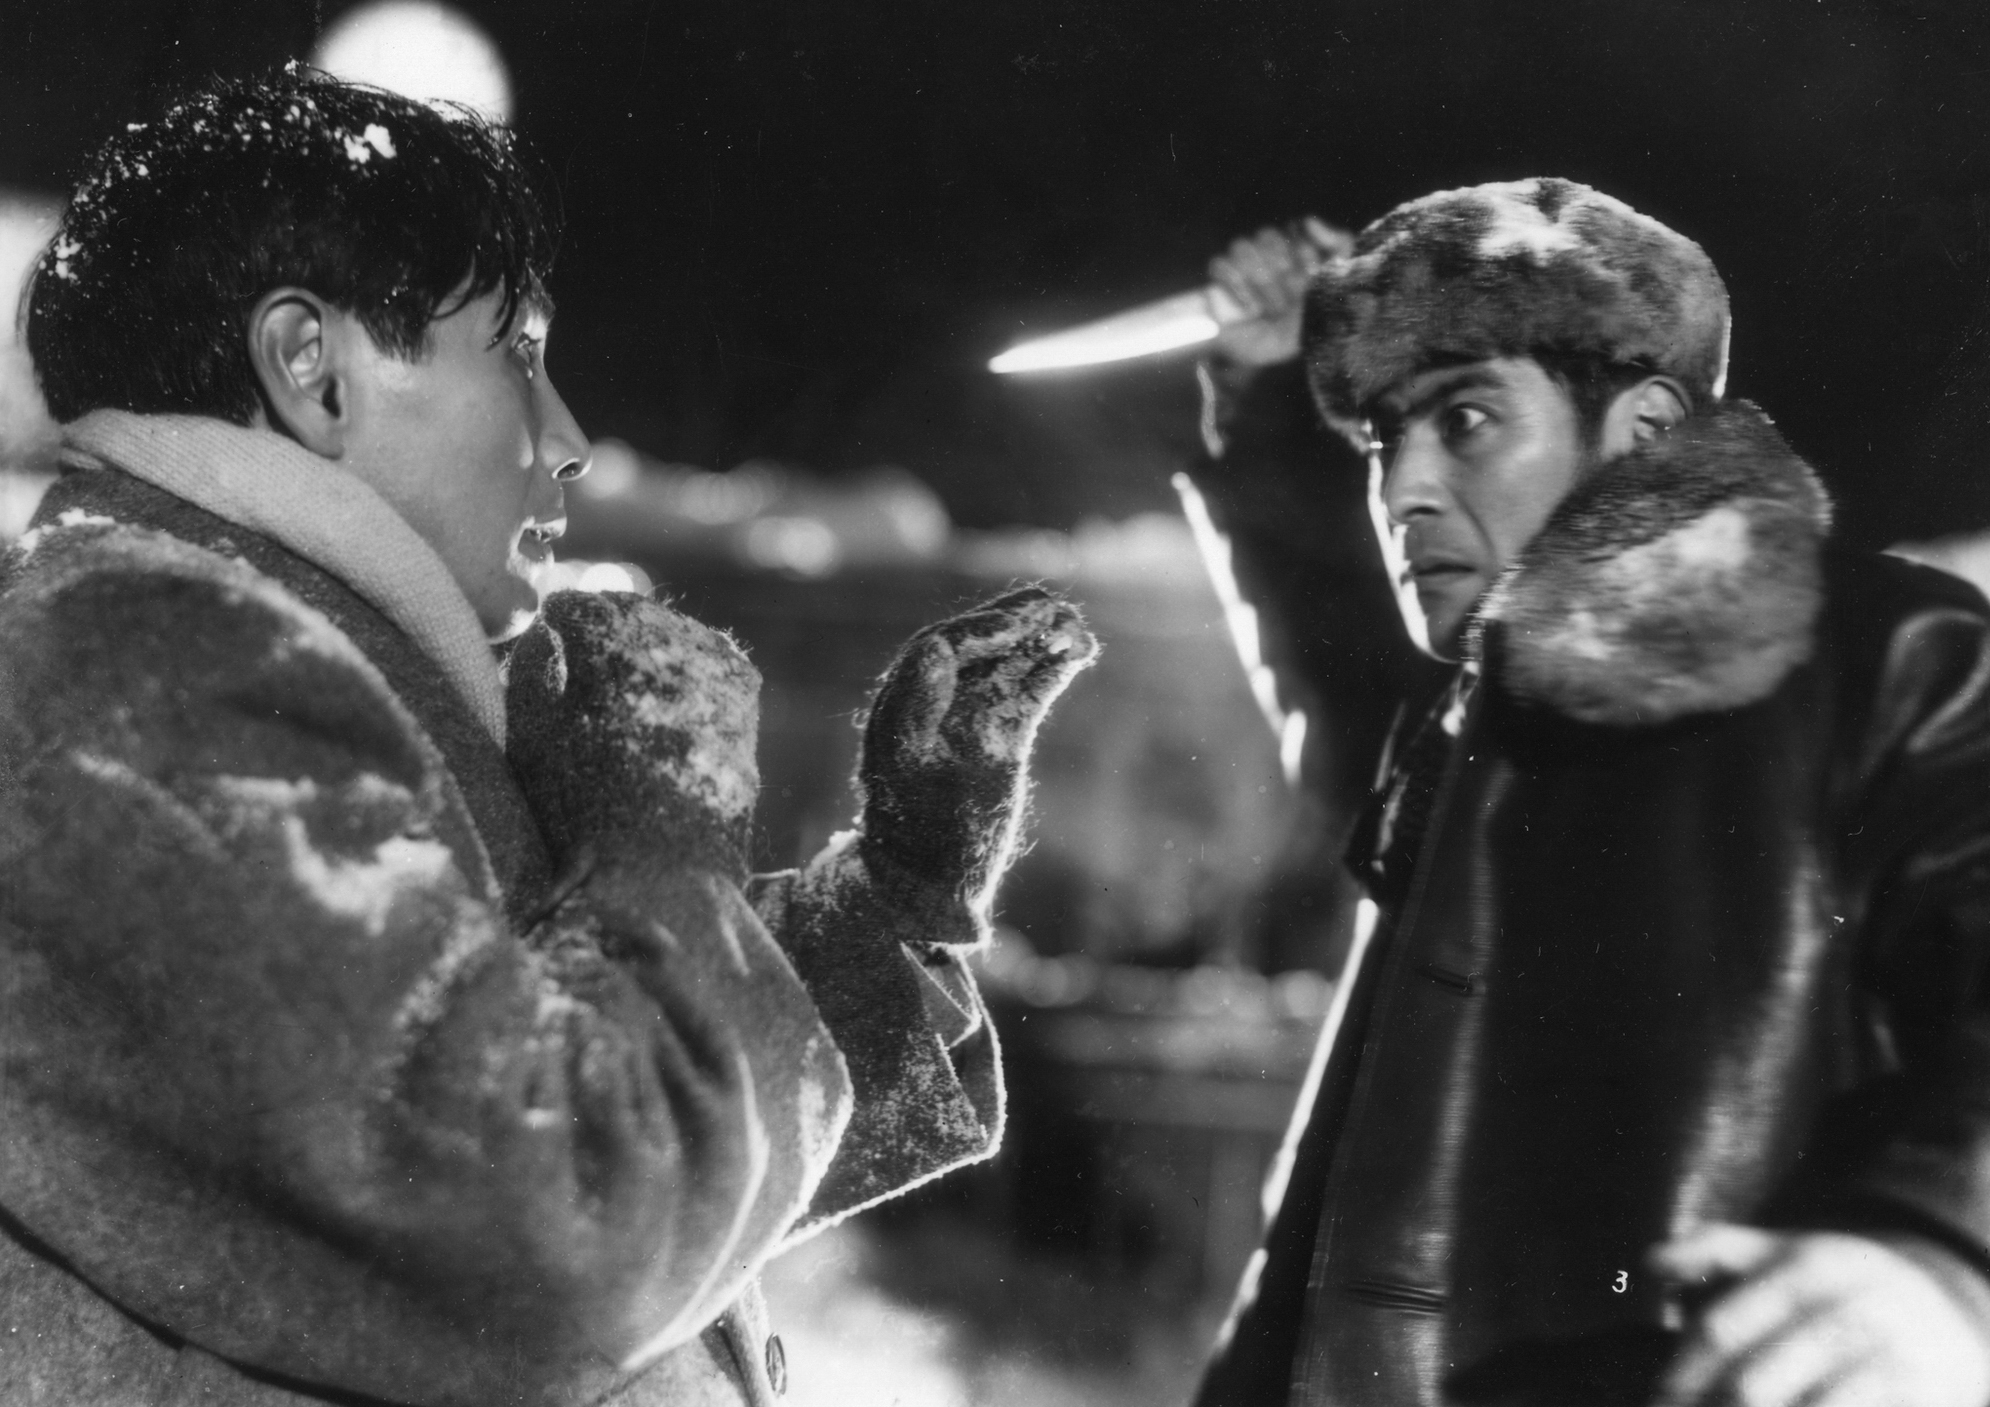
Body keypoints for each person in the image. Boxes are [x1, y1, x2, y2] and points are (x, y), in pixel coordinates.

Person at [0, 70, 1095, 1406]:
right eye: (516, 349)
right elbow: (560, 1236)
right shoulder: (143, 670)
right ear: (310, 370)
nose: (567, 440)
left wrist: (895, 895)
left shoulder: (277, 660)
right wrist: (657, 819)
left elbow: (543, 1095)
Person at [1187, 178, 1990, 1407]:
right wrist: (1259, 387)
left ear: (1644, 430)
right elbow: (1327, 648)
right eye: (1380, 441)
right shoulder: (1470, 717)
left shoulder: (1883, 651)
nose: (1398, 491)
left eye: (1463, 419)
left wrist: (1939, 1258)